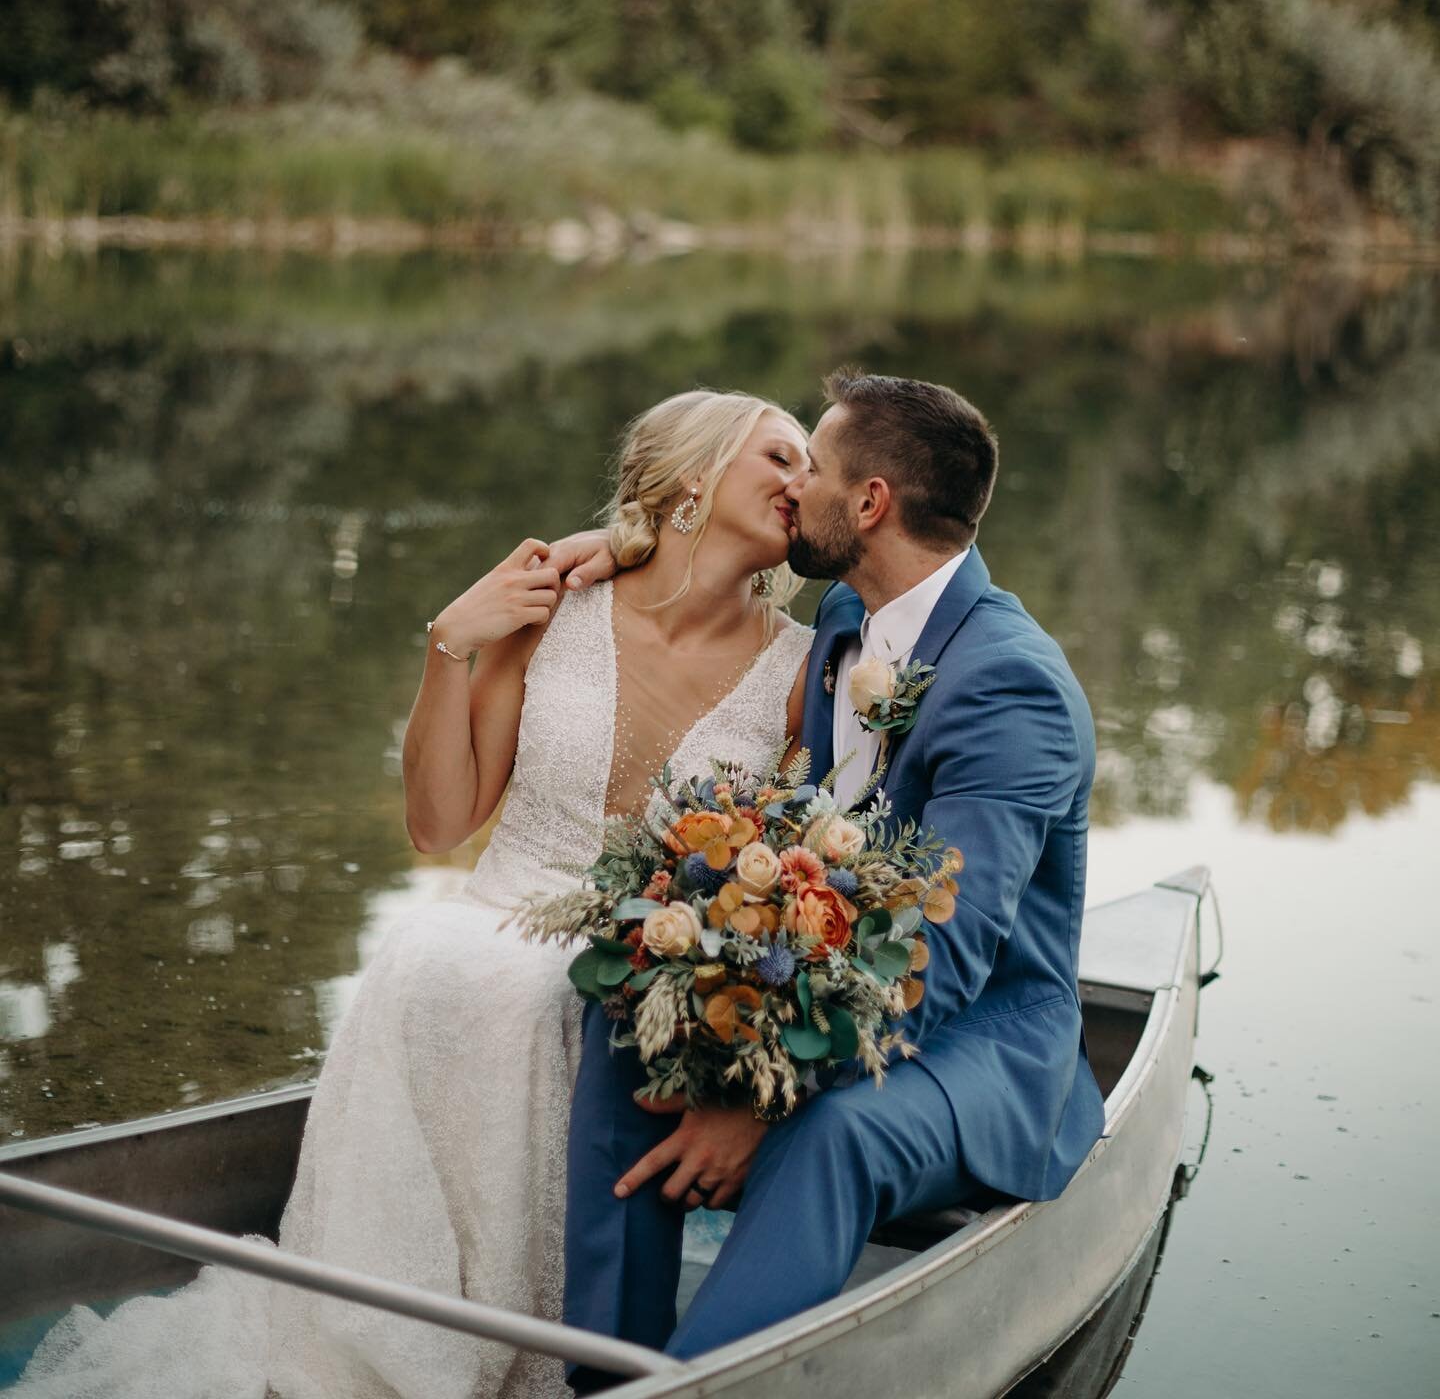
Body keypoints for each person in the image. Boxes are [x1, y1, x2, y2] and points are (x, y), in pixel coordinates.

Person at [14, 390, 813, 1399]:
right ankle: (398, 1335)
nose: (801, 483)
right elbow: (439, 826)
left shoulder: (798, 672)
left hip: (651, 945)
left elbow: (786, 868)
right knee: (428, 955)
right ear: (695, 472)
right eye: (779, 457)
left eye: (810, 468)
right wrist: (450, 642)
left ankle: (531, 1340)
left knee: (543, 995)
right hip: (505, 899)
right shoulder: (557, 605)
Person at [560, 370, 1105, 1375]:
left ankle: (702, 1391)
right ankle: (607, 1364)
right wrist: (629, 549)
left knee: (835, 1136)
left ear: (869, 504)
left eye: (811, 466)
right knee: (625, 1019)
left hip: (977, 1041)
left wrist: (761, 1097)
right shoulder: (848, 628)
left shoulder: (1011, 688)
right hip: (825, 989)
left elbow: (945, 955)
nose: (792, 487)